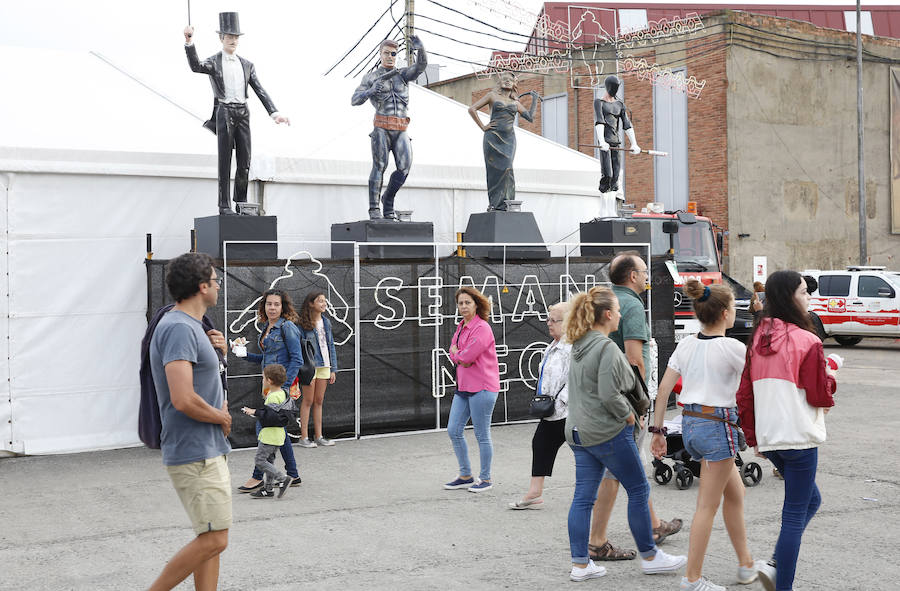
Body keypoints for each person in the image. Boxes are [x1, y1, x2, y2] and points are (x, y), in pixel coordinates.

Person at [565, 286, 686, 582]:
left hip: (578, 431)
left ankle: (581, 564)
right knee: (639, 489)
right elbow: (609, 394)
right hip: (606, 431)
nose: (620, 314)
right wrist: (629, 415)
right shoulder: (605, 347)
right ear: (607, 315)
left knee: (583, 498)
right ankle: (650, 556)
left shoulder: (579, 344)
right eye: (618, 310)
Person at [651, 279, 762, 591]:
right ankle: (692, 579)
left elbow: (662, 391)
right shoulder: (733, 348)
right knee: (706, 506)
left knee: (735, 493)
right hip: (717, 428)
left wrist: (658, 432)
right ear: (726, 313)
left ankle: (746, 563)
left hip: (690, 425)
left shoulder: (686, 344)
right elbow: (758, 383)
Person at [737, 270, 836, 591]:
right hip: (798, 436)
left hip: (771, 437)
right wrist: (831, 373)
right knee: (794, 515)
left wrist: (754, 438)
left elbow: (744, 395)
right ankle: (782, 580)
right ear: (790, 296)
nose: (809, 298)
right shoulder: (808, 341)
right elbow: (820, 394)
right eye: (805, 292)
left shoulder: (756, 340)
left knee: (812, 500)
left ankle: (776, 564)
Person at [589, 251, 681, 562]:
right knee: (618, 473)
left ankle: (654, 526)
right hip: (622, 403)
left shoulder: (603, 299)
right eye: (643, 272)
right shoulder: (630, 304)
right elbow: (634, 358)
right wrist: (640, 403)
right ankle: (598, 541)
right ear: (632, 276)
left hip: (598, 398)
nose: (646, 277)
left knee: (627, 471)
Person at [147, 253, 232, 591]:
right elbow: (182, 398)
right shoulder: (179, 328)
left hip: (207, 445)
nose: (219, 285)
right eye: (215, 280)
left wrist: (219, 353)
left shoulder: (192, 327)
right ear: (202, 287)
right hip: (195, 450)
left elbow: (202, 380)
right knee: (215, 540)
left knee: (210, 537)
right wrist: (221, 416)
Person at [184, 12, 290, 215]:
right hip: (224, 111)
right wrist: (189, 42)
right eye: (229, 36)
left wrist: (274, 113)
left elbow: (260, 90)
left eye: (235, 37)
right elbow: (195, 66)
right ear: (221, 38)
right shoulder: (214, 62)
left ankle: (241, 202)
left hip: (243, 112)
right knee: (224, 160)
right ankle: (224, 205)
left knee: (245, 160)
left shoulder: (247, 64)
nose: (233, 40)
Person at [351, 37, 427, 220]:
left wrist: (420, 49)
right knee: (379, 166)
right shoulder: (371, 77)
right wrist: (370, 91)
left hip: (401, 127)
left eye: (394, 53)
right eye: (387, 53)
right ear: (380, 54)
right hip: (381, 127)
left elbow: (420, 67)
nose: (391, 57)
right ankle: (373, 208)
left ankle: (388, 200)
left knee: (404, 168)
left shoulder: (402, 75)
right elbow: (354, 100)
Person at [233, 289, 302, 492]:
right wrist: (244, 354)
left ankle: (257, 477)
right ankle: (293, 474)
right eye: (269, 304)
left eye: (276, 304)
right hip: (269, 386)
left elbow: (297, 358)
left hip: (282, 387)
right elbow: (265, 359)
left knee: (264, 426)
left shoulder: (287, 327)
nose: (272, 307)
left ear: (283, 307)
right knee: (277, 430)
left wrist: (284, 387)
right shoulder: (266, 327)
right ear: (263, 306)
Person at [508, 301, 571, 509]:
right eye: (548, 319)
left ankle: (607, 484)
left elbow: (576, 378)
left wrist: (562, 401)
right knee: (541, 443)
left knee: (587, 451)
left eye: (554, 320)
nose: (549, 323)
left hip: (569, 412)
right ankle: (535, 492)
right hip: (552, 411)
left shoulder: (572, 348)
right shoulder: (551, 346)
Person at [444, 287, 500, 493]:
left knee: (482, 434)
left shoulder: (482, 328)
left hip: (483, 388)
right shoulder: (461, 327)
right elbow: (454, 352)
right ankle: (465, 475)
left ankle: (485, 479)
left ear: (476, 304)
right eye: (460, 303)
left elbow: (465, 357)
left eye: (468, 302)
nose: (464, 306)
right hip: (464, 387)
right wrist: (460, 357)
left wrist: (460, 356)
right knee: (453, 430)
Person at [467, 71, 538, 211]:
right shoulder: (492, 96)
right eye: (504, 79)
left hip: (509, 139)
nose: (507, 81)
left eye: (510, 80)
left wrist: (534, 99)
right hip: (492, 138)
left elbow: (530, 117)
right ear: (499, 82)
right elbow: (472, 109)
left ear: (514, 84)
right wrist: (483, 127)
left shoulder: (515, 102)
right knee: (494, 171)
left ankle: (508, 203)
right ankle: (494, 204)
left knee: (508, 168)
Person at [241, 364, 294, 499]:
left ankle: (282, 478)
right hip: (278, 435)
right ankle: (268, 489)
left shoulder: (272, 397)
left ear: (269, 380)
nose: (262, 380)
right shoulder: (283, 393)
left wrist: (254, 412)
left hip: (269, 436)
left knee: (260, 460)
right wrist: (256, 413)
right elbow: (273, 414)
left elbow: (269, 416)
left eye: (263, 377)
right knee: (269, 461)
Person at [296, 291, 339, 448]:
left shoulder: (326, 322)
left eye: (324, 301)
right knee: (308, 400)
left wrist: (333, 369)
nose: (324, 304)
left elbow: (331, 345)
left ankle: (319, 436)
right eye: (320, 301)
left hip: (325, 366)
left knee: (319, 401)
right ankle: (304, 437)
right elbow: (298, 347)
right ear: (311, 303)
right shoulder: (301, 324)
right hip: (309, 367)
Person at [594, 75, 641, 194]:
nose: (615, 90)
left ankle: (612, 202)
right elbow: (599, 121)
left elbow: (627, 124)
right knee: (607, 175)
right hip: (605, 142)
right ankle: (604, 202)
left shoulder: (620, 105)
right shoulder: (599, 103)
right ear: (608, 87)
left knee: (616, 176)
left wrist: (634, 144)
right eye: (613, 87)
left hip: (616, 142)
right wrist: (602, 141)